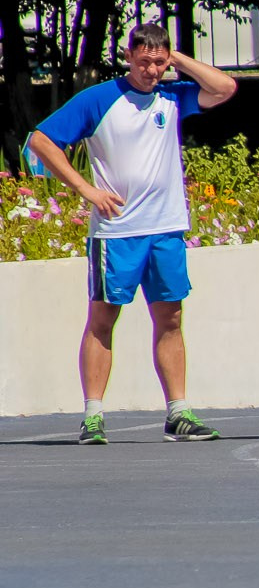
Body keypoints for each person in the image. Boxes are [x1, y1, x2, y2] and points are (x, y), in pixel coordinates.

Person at [26, 23, 237, 443]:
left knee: (171, 318)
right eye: (144, 62)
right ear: (128, 56)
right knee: (103, 317)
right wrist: (86, 189)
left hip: (166, 229)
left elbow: (225, 87)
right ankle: (93, 416)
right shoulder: (101, 98)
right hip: (117, 232)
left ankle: (178, 412)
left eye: (159, 63)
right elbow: (41, 140)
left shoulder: (173, 97)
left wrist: (177, 60)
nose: (151, 70)